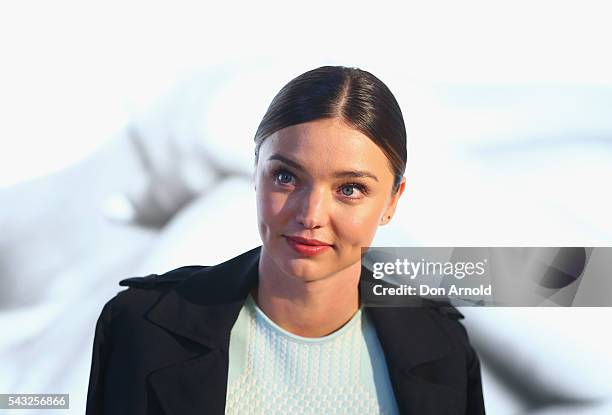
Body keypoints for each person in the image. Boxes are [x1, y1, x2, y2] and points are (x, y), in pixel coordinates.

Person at [85, 65, 486, 414]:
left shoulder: (442, 345)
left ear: (392, 202)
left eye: (349, 189)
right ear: (255, 172)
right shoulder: (140, 329)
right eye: (286, 177)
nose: (310, 215)